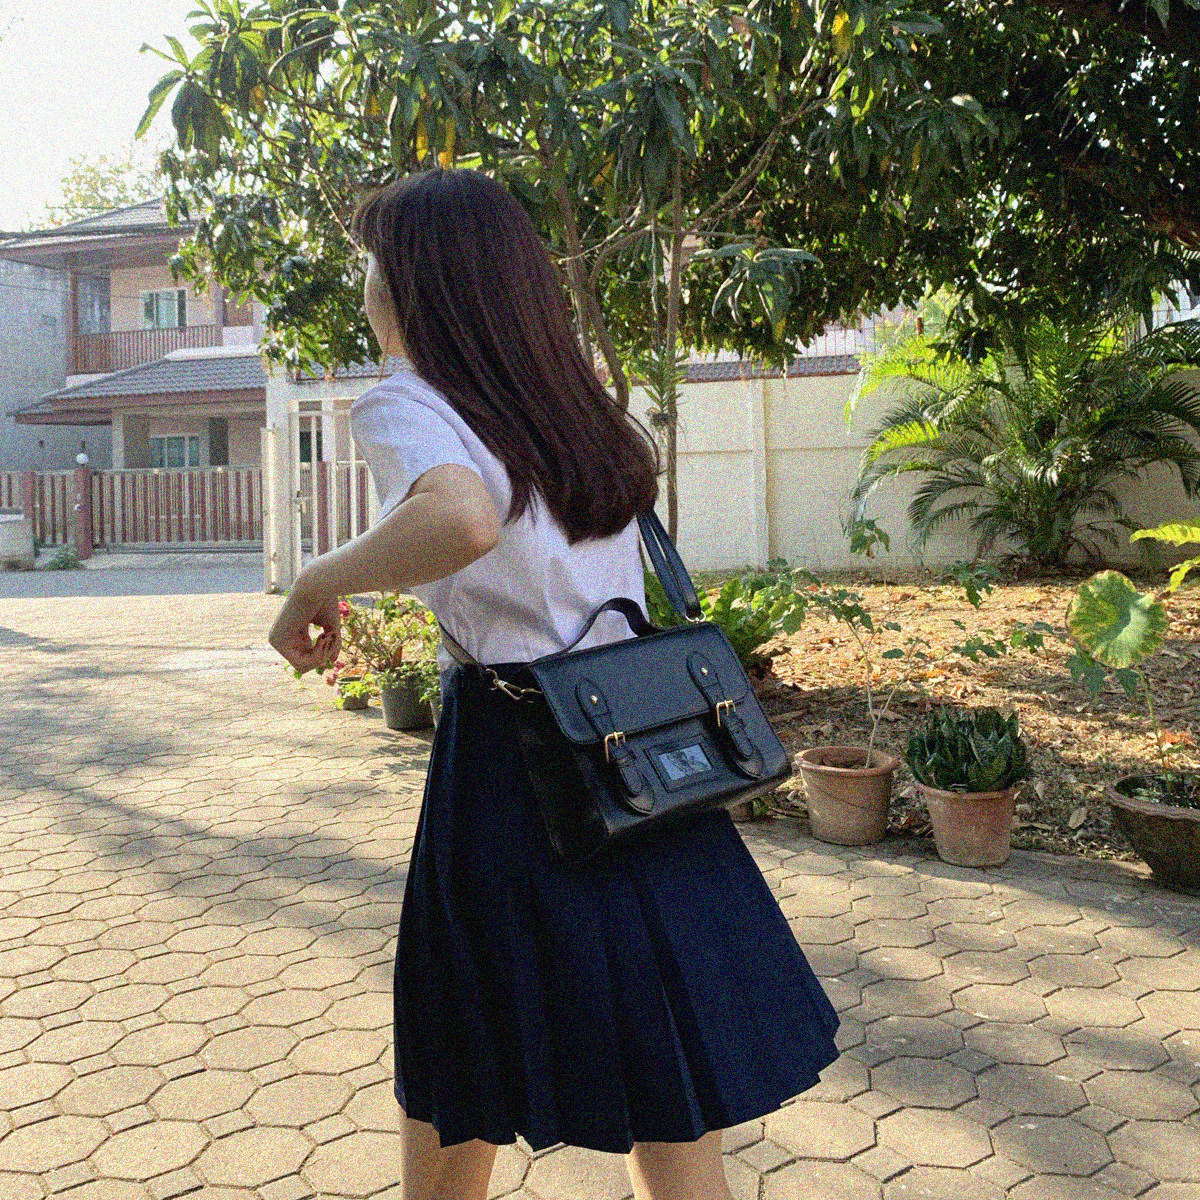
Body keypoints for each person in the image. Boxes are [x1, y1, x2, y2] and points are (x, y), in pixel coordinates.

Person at [268, 167, 841, 1200]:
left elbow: (462, 521)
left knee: (464, 1046)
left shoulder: (407, 400)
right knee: (665, 1071)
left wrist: (318, 580)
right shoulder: (564, 396)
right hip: (640, 743)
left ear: (414, 284)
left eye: (372, 266)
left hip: (514, 756)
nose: (365, 287)